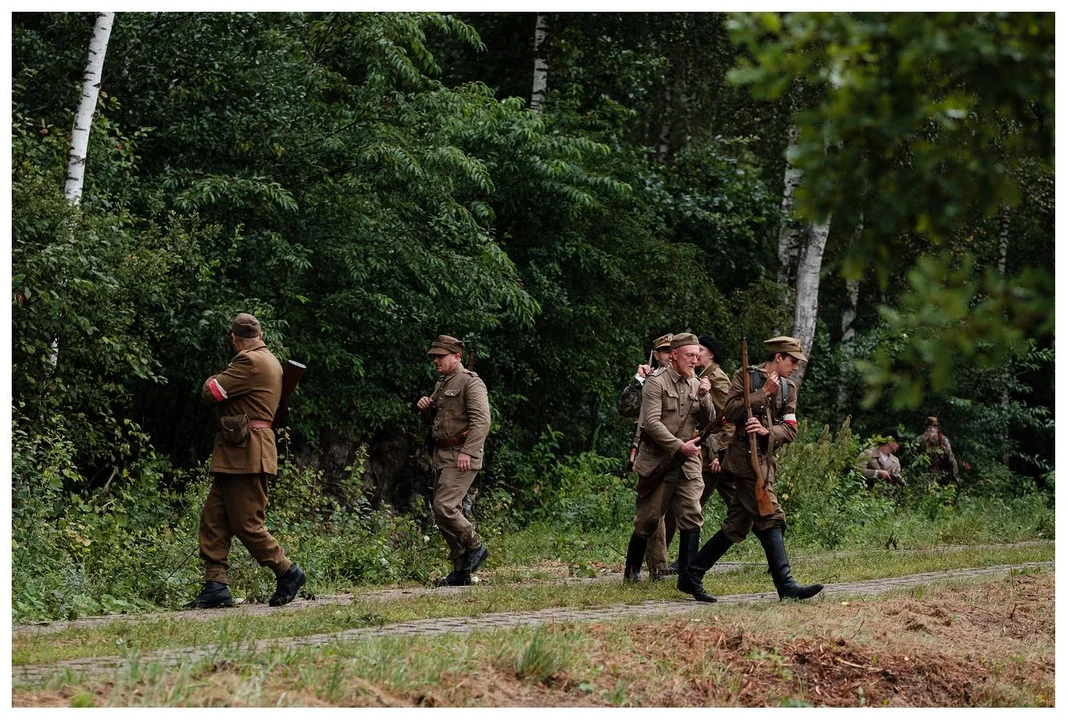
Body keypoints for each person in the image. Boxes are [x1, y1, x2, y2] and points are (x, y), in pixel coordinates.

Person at [677, 336, 823, 603]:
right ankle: (786, 585)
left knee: (736, 526)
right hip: (744, 463)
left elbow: (791, 428)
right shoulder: (747, 377)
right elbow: (728, 413)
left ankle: (692, 573)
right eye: (792, 361)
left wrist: (769, 431)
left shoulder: (789, 388)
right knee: (771, 516)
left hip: (766, 464)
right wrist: (762, 393)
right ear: (778, 358)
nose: (796, 367)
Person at [190, 313, 306, 609]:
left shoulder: (249, 361)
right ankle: (215, 584)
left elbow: (212, 391)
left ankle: (287, 571)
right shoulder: (270, 360)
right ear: (261, 333)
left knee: (246, 523)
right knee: (214, 519)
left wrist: (212, 378)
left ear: (234, 338)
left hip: (247, 452)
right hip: (238, 452)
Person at [622, 333, 714, 583]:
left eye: (698, 355)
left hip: (687, 461)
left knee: (692, 513)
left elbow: (709, 422)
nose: (695, 360)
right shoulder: (656, 382)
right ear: (673, 355)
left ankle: (689, 576)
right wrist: (677, 446)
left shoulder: (698, 383)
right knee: (649, 520)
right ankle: (632, 572)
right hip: (657, 459)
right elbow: (651, 422)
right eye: (690, 355)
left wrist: (706, 398)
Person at [417, 335, 491, 586]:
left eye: (440, 356)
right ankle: (461, 570)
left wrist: (468, 452)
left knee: (444, 507)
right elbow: (439, 421)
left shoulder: (471, 382)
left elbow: (482, 421)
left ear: (456, 356)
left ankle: (475, 546)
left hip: (461, 455)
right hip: (443, 454)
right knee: (442, 513)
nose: (435, 360)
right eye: (434, 356)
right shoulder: (442, 383)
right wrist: (427, 409)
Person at [663, 334, 734, 574]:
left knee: (689, 507)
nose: (696, 355)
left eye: (700, 350)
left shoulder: (717, 379)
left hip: (712, 454)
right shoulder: (701, 377)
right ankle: (771, 535)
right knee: (739, 505)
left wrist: (717, 454)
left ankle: (683, 563)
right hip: (705, 451)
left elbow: (726, 419)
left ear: (711, 354)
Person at [913, 416, 959, 484]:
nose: (932, 428)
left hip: (932, 475)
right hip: (930, 475)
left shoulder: (942, 440)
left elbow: (950, 459)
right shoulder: (919, 440)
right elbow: (951, 459)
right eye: (931, 425)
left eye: (934, 426)